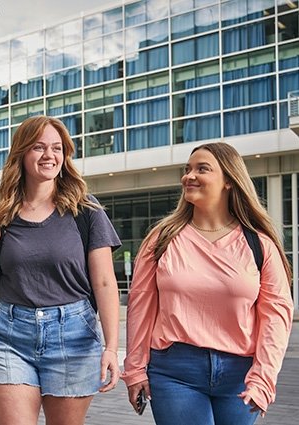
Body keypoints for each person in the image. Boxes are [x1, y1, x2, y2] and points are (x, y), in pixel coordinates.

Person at [122, 142, 294, 425]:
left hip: (241, 374)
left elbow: (276, 315)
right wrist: (135, 369)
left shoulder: (259, 244)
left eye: (202, 169)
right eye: (187, 169)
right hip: (174, 371)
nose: (189, 176)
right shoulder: (161, 239)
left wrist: (264, 377)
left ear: (228, 180)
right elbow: (140, 306)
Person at [0, 116, 121, 425]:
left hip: (73, 335)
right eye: (39, 147)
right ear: (22, 154)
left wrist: (111, 347)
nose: (49, 156)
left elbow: (106, 283)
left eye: (57, 148)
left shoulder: (86, 211)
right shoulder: (0, 213)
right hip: (10, 335)